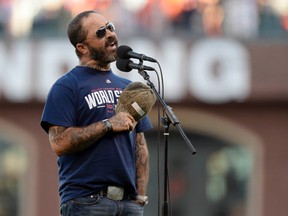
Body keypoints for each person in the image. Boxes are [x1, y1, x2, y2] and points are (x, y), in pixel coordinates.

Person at [40, 10, 152, 216]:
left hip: (129, 203)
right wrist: (108, 124)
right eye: (100, 32)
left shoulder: (128, 87)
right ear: (81, 47)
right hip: (87, 202)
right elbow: (59, 143)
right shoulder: (67, 86)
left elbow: (140, 145)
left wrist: (140, 197)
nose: (109, 33)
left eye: (110, 27)